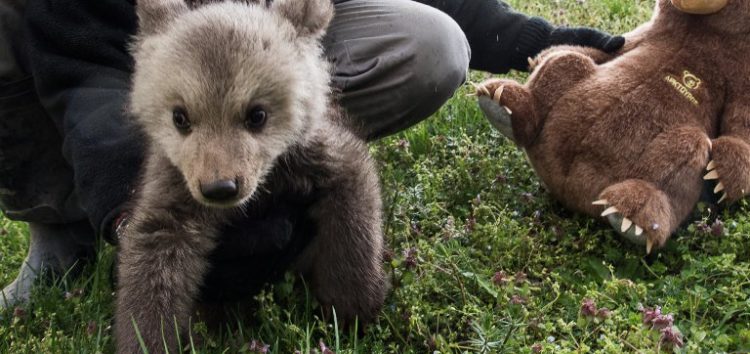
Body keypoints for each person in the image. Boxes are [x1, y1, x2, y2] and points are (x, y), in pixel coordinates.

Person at [0, 0, 624, 308]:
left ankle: (283, 164)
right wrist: (126, 207)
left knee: (433, 41)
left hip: (268, 46)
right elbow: (78, 66)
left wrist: (571, 45)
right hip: (121, 56)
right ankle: (64, 232)